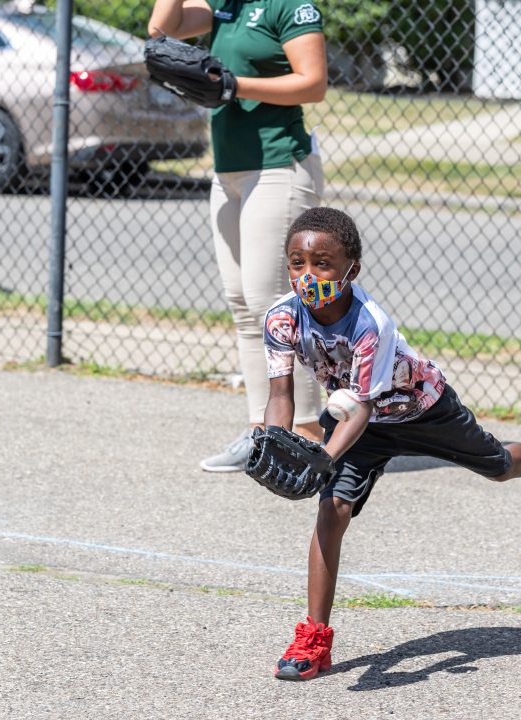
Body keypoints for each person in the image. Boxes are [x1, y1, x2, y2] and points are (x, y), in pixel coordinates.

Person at [262, 207, 521, 680]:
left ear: (352, 269)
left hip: (421, 409)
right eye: (297, 262)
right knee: (332, 510)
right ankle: (314, 639)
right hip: (359, 424)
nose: (308, 275)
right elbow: (279, 397)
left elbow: (365, 404)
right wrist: (276, 443)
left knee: (498, 467)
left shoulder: (370, 324)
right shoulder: (282, 318)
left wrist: (323, 457)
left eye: (323, 263)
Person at [148, 0, 328, 471]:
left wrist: (233, 85)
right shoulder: (226, 5)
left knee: (276, 307)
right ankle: (262, 431)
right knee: (245, 306)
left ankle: (306, 432)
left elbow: (313, 83)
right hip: (229, 171)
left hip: (277, 167)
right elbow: (160, 30)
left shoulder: (288, 6)